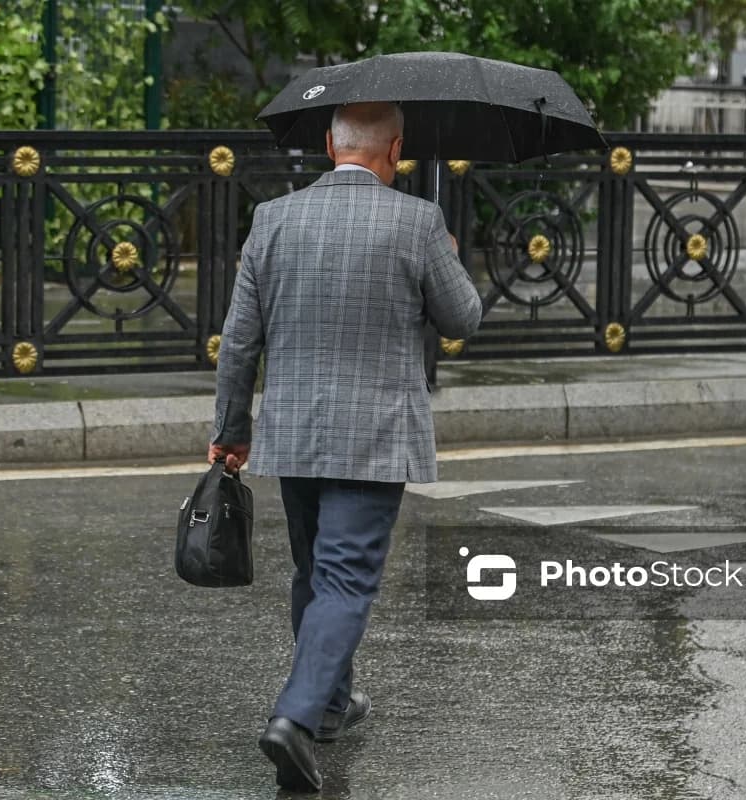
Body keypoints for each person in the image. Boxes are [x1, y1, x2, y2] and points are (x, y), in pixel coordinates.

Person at [207, 101, 483, 792]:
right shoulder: (419, 222)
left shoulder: (272, 219)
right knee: (346, 577)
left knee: (314, 573)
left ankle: (331, 702)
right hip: (375, 433)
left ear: (331, 146)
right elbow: (462, 320)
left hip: (294, 430)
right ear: (394, 151)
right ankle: (294, 720)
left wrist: (231, 430)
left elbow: (240, 340)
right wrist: (447, 259)